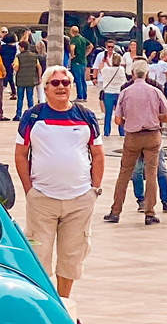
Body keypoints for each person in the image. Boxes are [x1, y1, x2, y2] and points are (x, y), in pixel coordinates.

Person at [14, 67, 104, 300]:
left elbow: (98, 154)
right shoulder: (33, 116)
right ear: (45, 88)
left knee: (71, 256)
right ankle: (45, 303)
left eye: (66, 82)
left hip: (80, 199)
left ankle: (63, 304)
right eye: (55, 83)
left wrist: (94, 189)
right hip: (42, 199)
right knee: (38, 255)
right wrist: (29, 191)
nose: (61, 87)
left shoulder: (85, 116)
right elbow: (21, 154)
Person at [106, 60, 167, 222]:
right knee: (151, 173)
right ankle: (150, 212)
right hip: (152, 135)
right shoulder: (155, 91)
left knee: (124, 173)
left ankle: (115, 211)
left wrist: (131, 119)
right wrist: (155, 117)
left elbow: (118, 120)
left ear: (133, 74)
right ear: (147, 73)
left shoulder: (126, 92)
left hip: (133, 136)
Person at [95, 47, 128, 137]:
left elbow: (102, 69)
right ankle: (121, 132)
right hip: (118, 93)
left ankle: (107, 132)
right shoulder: (121, 70)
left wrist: (103, 61)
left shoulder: (107, 70)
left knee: (108, 114)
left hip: (108, 93)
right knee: (120, 114)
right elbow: (116, 72)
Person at [13, 36, 42, 119]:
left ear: (22, 48)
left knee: (20, 99)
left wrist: (13, 67)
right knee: (30, 98)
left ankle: (18, 115)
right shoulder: (34, 56)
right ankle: (31, 114)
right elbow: (39, 67)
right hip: (31, 79)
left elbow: (16, 67)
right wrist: (39, 77)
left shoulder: (18, 57)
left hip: (21, 80)